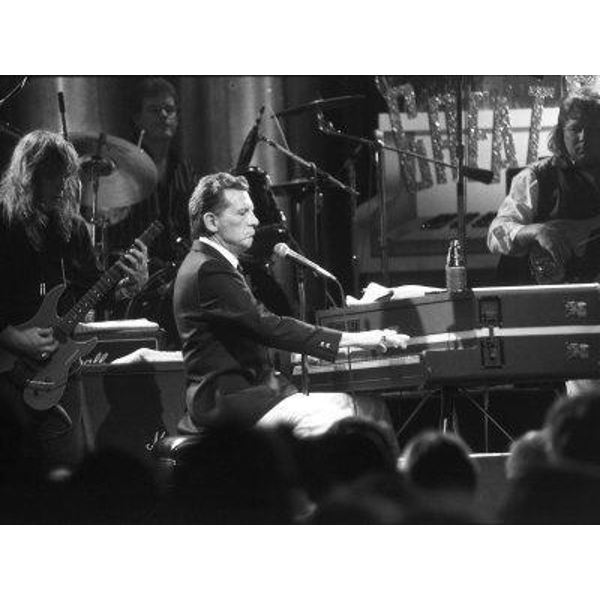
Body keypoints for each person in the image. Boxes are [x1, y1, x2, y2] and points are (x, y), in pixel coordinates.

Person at [173, 172, 409, 441]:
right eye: (242, 212)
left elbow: (244, 335)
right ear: (211, 221)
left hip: (246, 393)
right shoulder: (209, 268)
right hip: (228, 400)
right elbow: (266, 325)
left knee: (371, 408)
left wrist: (306, 353)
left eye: (252, 211)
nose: (255, 220)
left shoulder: (209, 263)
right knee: (341, 415)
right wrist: (356, 339)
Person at [0, 130, 149, 473]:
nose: (61, 186)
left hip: (60, 364)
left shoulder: (72, 229)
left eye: (65, 176)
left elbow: (92, 290)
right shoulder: (4, 223)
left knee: (66, 468)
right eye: (52, 176)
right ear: (30, 175)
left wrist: (129, 285)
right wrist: (11, 336)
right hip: (7, 365)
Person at [488, 89, 600, 285]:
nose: (584, 137)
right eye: (575, 129)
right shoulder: (535, 177)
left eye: (594, 129)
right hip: (549, 294)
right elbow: (496, 234)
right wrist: (537, 231)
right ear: (561, 133)